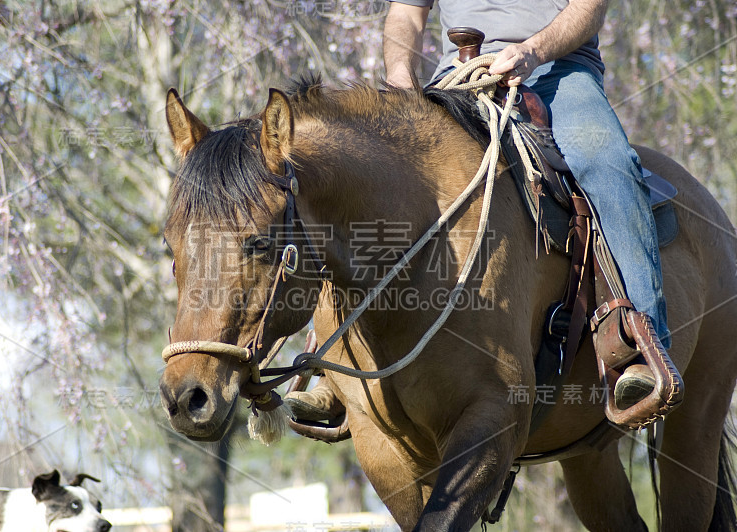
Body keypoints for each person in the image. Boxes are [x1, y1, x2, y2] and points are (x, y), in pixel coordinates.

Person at [288, 0, 677, 421]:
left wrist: (533, 50)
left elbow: (590, 7)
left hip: (558, 74)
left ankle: (640, 345)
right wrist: (399, 72)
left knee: (607, 163)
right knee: (373, 173)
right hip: (455, 77)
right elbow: (406, 12)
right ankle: (334, 359)